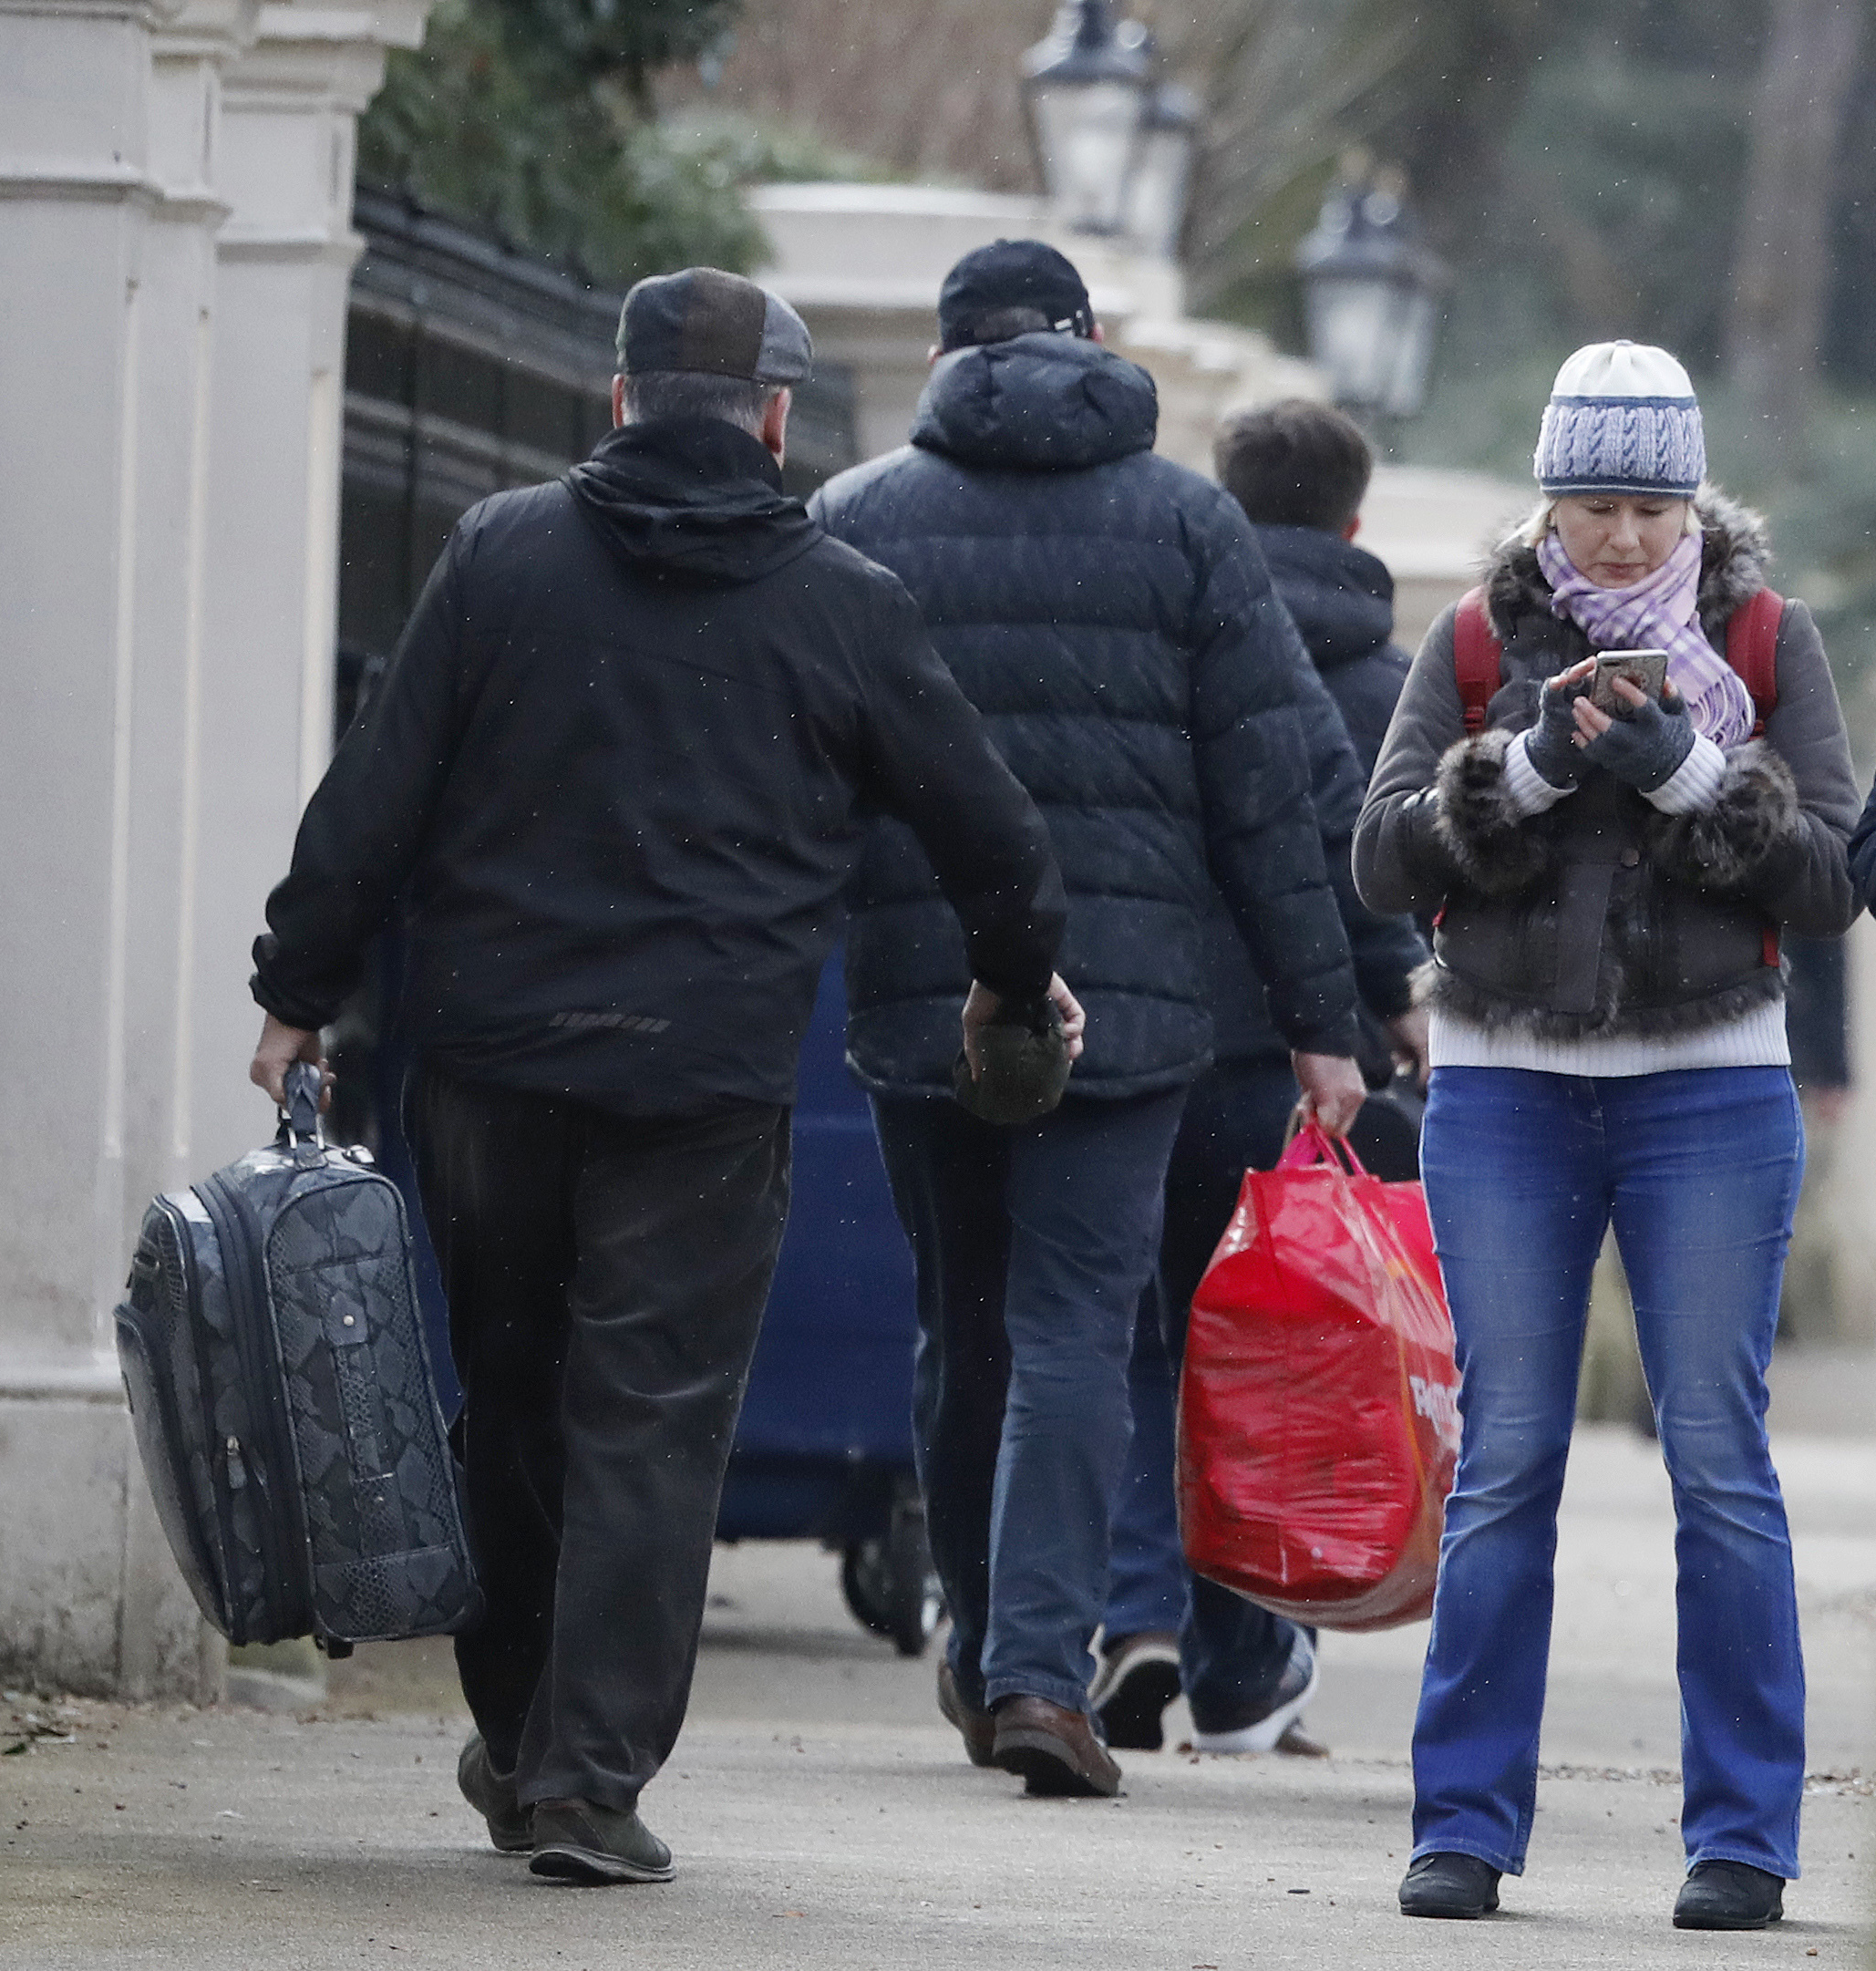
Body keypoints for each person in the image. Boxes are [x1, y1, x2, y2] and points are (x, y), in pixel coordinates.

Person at [245, 268, 1071, 1884]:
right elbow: (997, 835)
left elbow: (376, 792)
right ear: (773, 421)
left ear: (616, 399)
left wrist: (296, 991)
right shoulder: (842, 602)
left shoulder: (499, 559)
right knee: (651, 1417)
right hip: (701, 1082)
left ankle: (527, 1732)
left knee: (511, 1401)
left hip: (488, 1063)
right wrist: (1006, 976)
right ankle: (585, 1775)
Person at [812, 242, 1366, 1800]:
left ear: (939, 355)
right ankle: (1041, 1672)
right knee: (1073, 1321)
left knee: (959, 1321)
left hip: (925, 994)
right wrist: (1325, 1023)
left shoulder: (855, 521)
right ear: (1094, 340)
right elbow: (1279, 791)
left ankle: (990, 1650)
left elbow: (803, 779)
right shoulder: (1188, 523)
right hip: (1127, 1009)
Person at [1355, 341, 1858, 1929]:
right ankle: (1462, 1824)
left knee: (1716, 1463)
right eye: (1591, 503)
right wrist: (1524, 764)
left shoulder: (1771, 641)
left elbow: (1833, 881)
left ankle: (1739, 1841)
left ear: (1690, 500)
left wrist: (1687, 767)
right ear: (1547, 499)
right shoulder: (1473, 639)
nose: (1622, 537)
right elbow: (1376, 858)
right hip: (1503, 1087)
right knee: (1504, 1459)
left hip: (1711, 1089)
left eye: (1649, 503)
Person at [1095, 399, 1431, 1759]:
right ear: (1355, 522)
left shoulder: (1169, 634)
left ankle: (1134, 1610)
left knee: (1134, 1346)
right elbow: (1379, 857)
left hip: (1146, 1036)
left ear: (1221, 505)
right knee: (1261, 1366)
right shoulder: (1394, 683)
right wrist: (1387, 1000)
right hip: (1300, 1061)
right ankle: (1243, 1663)